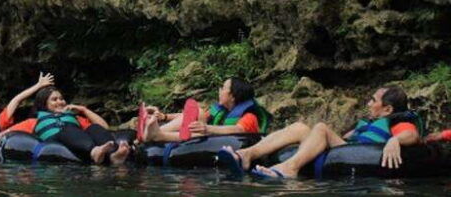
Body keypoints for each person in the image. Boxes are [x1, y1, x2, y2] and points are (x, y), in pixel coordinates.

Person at [220, 86, 421, 178]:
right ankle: (246, 155)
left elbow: (411, 135)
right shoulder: (370, 122)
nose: (368, 104)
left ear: (387, 109)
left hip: (359, 153)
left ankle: (289, 168)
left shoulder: (398, 120)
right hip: (348, 147)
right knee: (300, 127)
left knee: (321, 128)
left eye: (373, 100)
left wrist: (395, 141)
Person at [0, 86, 132, 165]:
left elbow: (103, 127)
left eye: (61, 98)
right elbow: (6, 133)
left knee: (93, 128)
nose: (60, 102)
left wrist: (84, 110)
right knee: (68, 129)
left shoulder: (74, 117)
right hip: (58, 140)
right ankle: (95, 153)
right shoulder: (34, 122)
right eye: (54, 100)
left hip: (80, 139)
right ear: (44, 104)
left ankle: (113, 155)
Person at [142, 77, 271, 142]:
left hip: (228, 144)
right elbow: (189, 116)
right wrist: (164, 117)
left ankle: (157, 134)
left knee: (202, 130)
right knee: (198, 112)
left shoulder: (250, 117)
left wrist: (208, 128)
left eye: (223, 88)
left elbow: (238, 129)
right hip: (210, 138)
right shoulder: (221, 110)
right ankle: (153, 132)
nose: (219, 91)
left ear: (232, 96)